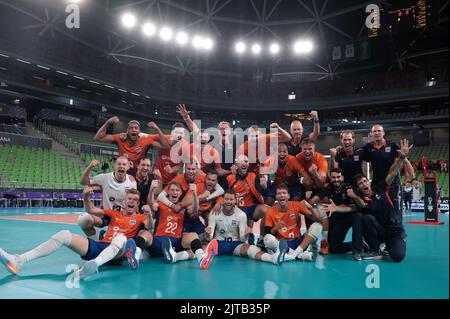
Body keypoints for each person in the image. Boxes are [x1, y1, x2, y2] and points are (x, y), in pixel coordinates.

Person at [0, 188, 149, 279]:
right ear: (124, 201)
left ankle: (92, 266)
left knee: (121, 237)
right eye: (130, 198)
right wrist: (86, 197)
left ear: (138, 203)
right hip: (101, 246)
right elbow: (91, 210)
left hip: (119, 253)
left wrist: (150, 213)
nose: (132, 201)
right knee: (64, 235)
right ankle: (19, 260)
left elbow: (149, 230)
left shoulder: (142, 217)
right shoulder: (113, 213)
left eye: (135, 200)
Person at [349, 139, 412, 262]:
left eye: (364, 181)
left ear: (369, 182)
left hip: (394, 231)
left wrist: (401, 157)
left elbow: (392, 172)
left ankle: (397, 242)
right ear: (358, 188)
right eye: (360, 184)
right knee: (367, 218)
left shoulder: (381, 188)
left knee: (398, 257)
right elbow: (357, 208)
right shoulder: (362, 200)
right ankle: (375, 249)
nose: (363, 184)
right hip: (381, 231)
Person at [145, 181, 218, 269]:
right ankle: (180, 255)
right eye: (172, 190)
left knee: (193, 235)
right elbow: (151, 203)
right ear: (168, 192)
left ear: (180, 193)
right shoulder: (161, 204)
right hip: (160, 240)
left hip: (176, 241)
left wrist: (194, 194)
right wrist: (151, 190)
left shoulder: (183, 208)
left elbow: (194, 210)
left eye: (177, 190)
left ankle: (201, 258)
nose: (174, 192)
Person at [205, 190, 289, 265]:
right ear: (223, 200)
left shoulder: (241, 215)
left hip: (234, 245)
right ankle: (202, 258)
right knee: (201, 248)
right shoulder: (214, 213)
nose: (228, 202)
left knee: (252, 249)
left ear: (235, 200)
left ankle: (273, 259)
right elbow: (209, 238)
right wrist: (208, 234)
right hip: (217, 244)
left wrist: (246, 234)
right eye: (226, 199)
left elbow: (242, 239)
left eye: (231, 199)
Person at [78, 157, 137, 240]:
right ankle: (96, 240)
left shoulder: (131, 181)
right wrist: (90, 167)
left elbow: (134, 202)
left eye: (124, 164)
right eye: (119, 164)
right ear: (114, 165)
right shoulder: (105, 178)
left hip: (122, 217)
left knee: (121, 240)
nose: (121, 166)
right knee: (83, 220)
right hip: (105, 215)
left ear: (128, 166)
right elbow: (83, 182)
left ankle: (105, 235)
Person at [215, 155, 269, 246]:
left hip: (251, 208)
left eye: (246, 161)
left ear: (248, 164)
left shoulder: (253, 176)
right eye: (241, 161)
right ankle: (220, 237)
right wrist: (218, 202)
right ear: (236, 165)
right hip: (236, 211)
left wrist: (264, 187)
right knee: (241, 239)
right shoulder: (229, 178)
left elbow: (262, 193)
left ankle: (261, 239)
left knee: (267, 211)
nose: (244, 163)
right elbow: (221, 193)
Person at [263, 185, 324, 262]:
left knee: (318, 225)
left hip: (299, 242)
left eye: (284, 193)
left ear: (288, 196)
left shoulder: (296, 205)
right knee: (267, 238)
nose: (282, 195)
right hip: (282, 244)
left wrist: (311, 208)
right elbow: (268, 233)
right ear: (275, 197)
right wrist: (275, 228)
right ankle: (299, 255)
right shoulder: (270, 211)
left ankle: (292, 255)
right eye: (279, 193)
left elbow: (318, 220)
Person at [317, 168, 365, 261]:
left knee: (358, 216)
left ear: (342, 177)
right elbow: (317, 198)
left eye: (338, 177)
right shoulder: (327, 188)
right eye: (333, 177)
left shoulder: (349, 188)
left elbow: (356, 207)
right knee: (333, 248)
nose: (336, 179)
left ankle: (357, 250)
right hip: (339, 219)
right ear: (330, 178)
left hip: (350, 216)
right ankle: (361, 244)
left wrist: (337, 208)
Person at [94, 117, 169, 170]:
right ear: (127, 131)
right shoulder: (120, 138)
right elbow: (98, 138)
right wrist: (108, 122)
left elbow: (165, 146)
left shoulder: (146, 141)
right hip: (123, 172)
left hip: (138, 173)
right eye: (131, 128)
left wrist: (158, 129)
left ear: (139, 132)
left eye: (136, 128)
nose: (133, 130)